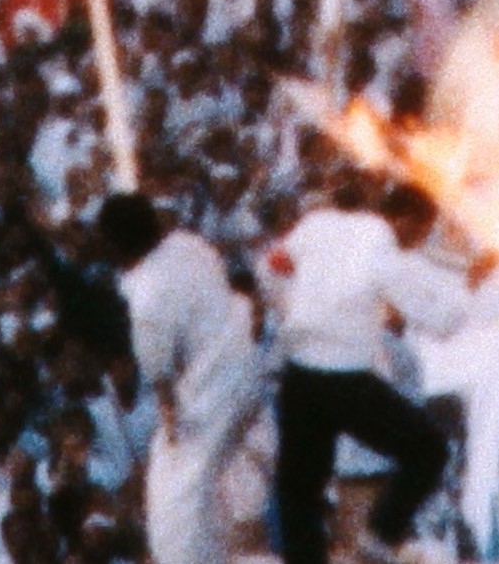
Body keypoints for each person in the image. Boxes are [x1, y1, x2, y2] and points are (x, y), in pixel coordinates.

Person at [265, 180, 462, 564]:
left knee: (300, 491)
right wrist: (466, 293)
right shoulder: (381, 246)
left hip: (300, 376)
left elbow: (272, 266)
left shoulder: (317, 223)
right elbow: (439, 319)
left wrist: (291, 312)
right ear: (405, 220)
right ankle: (378, 540)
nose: (418, 243)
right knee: (429, 450)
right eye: (420, 233)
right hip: (345, 381)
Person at [98, 193, 260, 564]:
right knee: (209, 487)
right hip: (248, 369)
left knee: (172, 498)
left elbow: (159, 377)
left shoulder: (146, 297)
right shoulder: (190, 243)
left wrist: (171, 421)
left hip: (211, 393)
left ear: (110, 245)